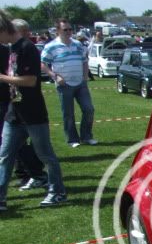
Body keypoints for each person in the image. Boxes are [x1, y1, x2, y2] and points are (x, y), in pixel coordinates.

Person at [0, 11, 67, 210]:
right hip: (15, 113)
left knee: (46, 155)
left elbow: (30, 81)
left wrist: (2, 78)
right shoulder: (11, 48)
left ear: (4, 30)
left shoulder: (27, 48)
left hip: (33, 113)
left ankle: (58, 192)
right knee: (5, 156)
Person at [40, 18, 97, 147]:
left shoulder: (77, 44)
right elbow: (43, 64)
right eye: (65, 29)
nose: (69, 31)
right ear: (58, 31)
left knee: (89, 109)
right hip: (63, 85)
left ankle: (86, 136)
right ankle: (72, 139)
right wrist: (54, 76)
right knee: (68, 113)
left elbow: (84, 60)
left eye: (70, 29)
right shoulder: (51, 46)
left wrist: (85, 76)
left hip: (80, 83)